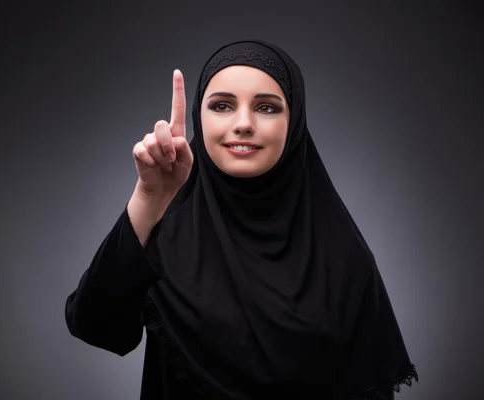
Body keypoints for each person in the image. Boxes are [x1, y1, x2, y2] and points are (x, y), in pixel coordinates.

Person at [65, 39, 419, 399]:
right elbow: (94, 326)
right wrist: (148, 198)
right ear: (197, 119)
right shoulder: (165, 234)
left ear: (293, 121)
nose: (244, 124)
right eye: (221, 106)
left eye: (266, 107)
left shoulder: (343, 257)